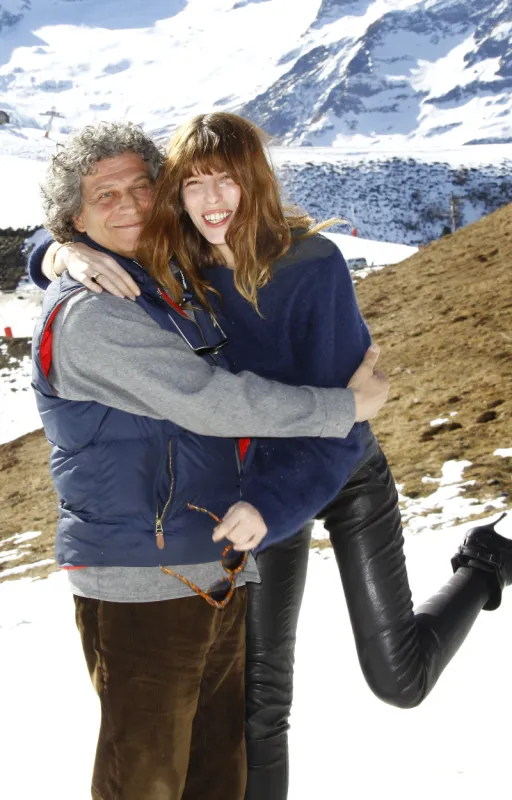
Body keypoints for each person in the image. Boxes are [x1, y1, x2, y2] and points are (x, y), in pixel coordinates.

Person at [31, 114, 512, 800]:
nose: (209, 197)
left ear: (256, 181)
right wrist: (58, 253)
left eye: (225, 177)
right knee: (261, 702)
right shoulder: (182, 260)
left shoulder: (312, 267)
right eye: (192, 183)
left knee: (397, 678)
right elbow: (98, 245)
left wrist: (275, 502)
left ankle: (487, 568)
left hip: (338, 470)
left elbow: (344, 418)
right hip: (256, 490)